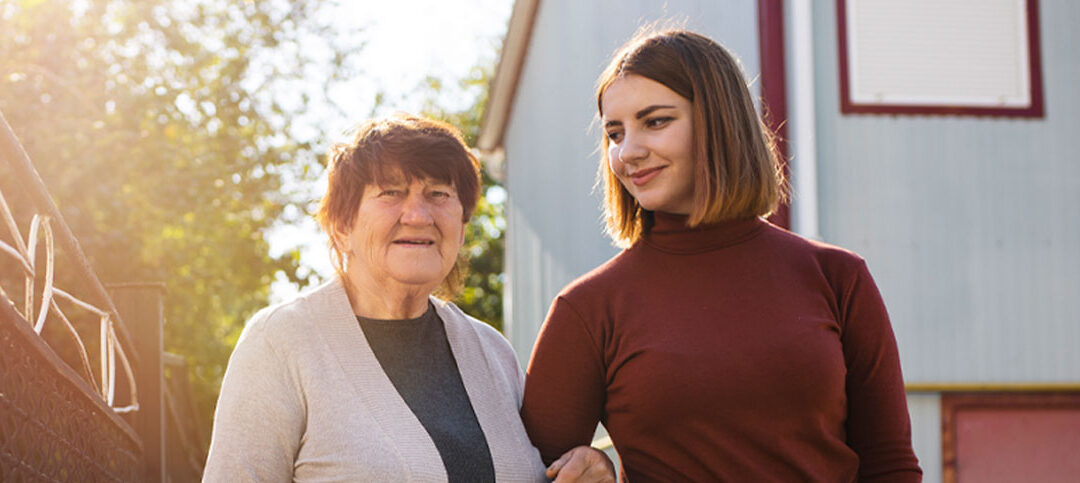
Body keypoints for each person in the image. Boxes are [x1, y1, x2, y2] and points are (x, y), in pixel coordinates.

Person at [521, 28, 922, 481]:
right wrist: (597, 468)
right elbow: (527, 470)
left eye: (655, 121)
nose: (627, 152)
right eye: (614, 133)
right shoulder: (588, 309)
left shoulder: (838, 277)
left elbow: (890, 464)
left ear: (719, 121)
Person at [204, 115, 612, 482]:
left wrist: (592, 468)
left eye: (439, 194)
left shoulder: (492, 353)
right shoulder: (279, 343)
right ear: (342, 226)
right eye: (391, 193)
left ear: (462, 224)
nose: (418, 215)